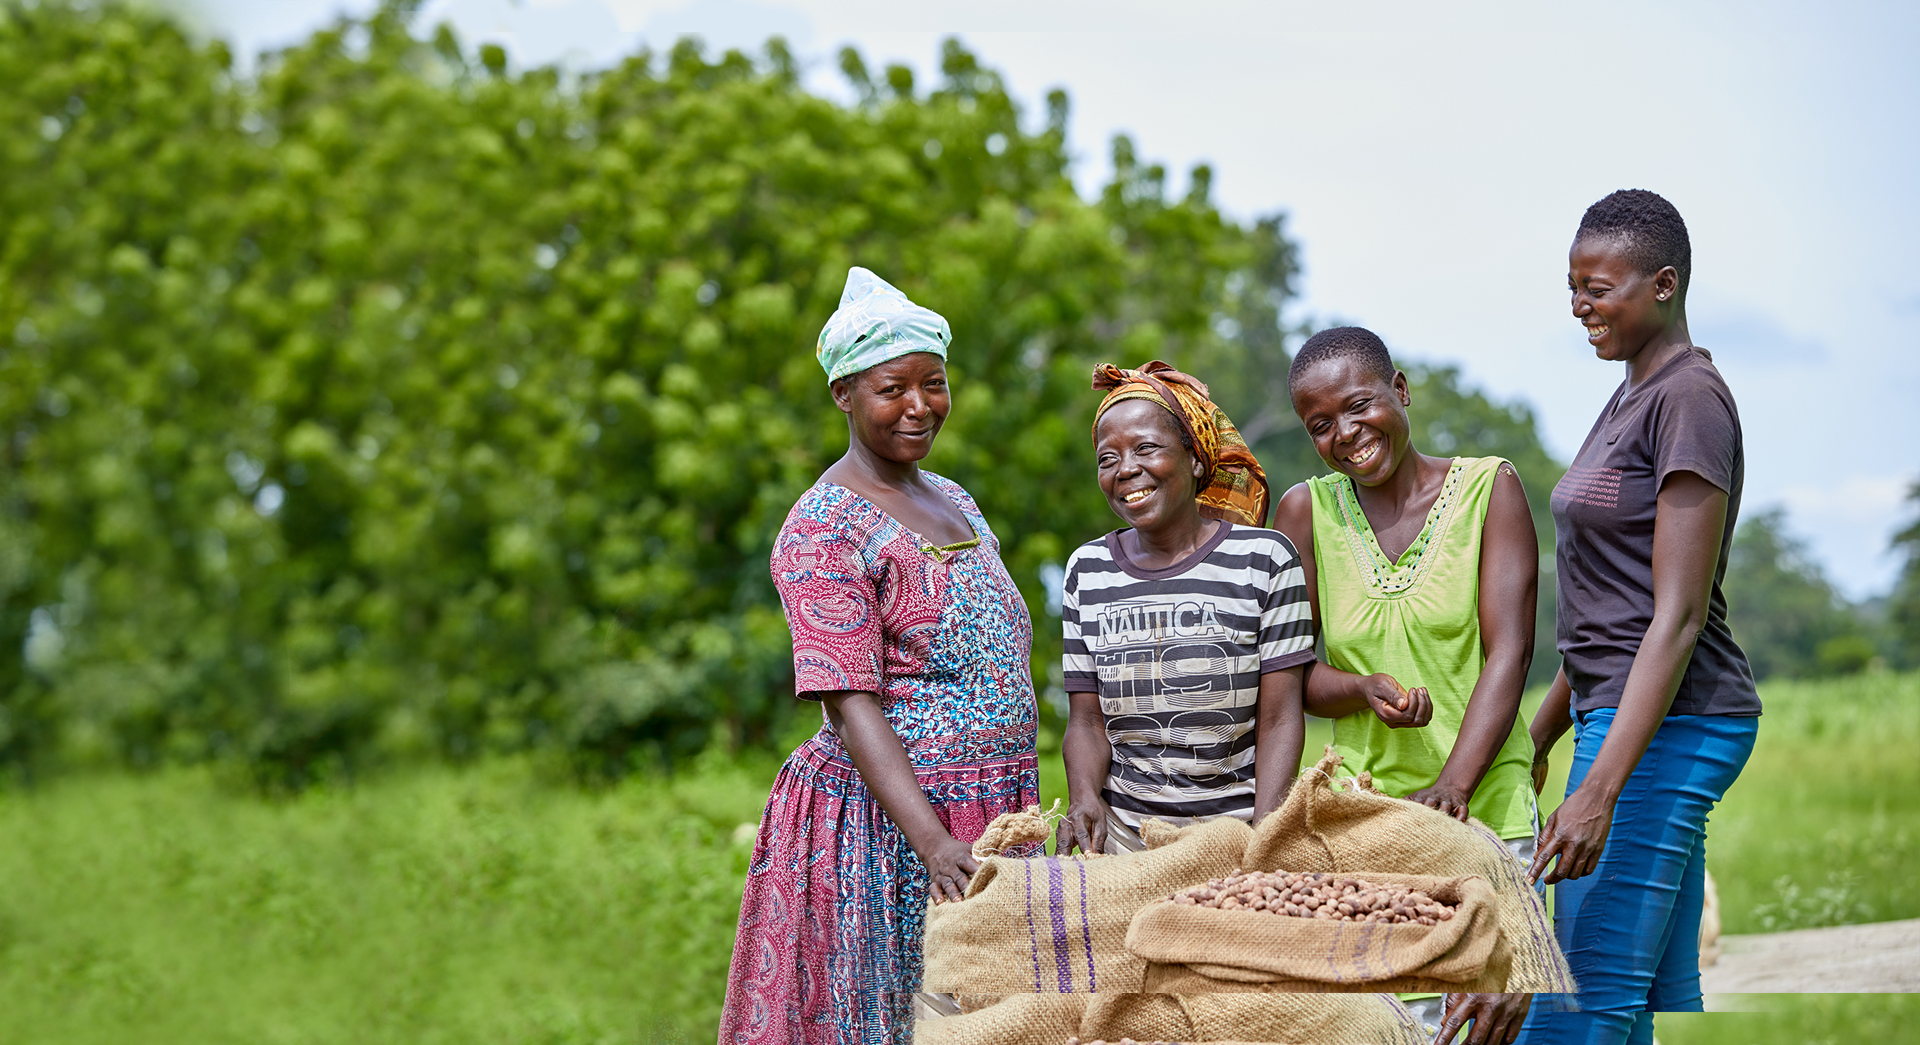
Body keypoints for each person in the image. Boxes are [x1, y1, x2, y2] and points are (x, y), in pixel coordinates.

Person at [717, 268, 1041, 1045]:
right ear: (844, 394)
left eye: (934, 383)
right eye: (894, 388)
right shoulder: (823, 526)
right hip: (891, 829)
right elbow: (849, 699)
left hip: (992, 809)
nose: (920, 406)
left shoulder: (956, 497)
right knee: (893, 1019)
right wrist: (933, 841)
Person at [1520, 190, 1762, 1044]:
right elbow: (1605, 619)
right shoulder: (1630, 395)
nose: (1579, 307)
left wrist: (1598, 789)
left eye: (1598, 288)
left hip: (1669, 722)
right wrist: (1543, 732)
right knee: (1616, 1005)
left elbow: (1678, 615)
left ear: (1663, 283)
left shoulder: (1689, 398)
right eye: (1573, 288)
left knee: (1571, 1005)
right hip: (1621, 713)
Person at [1272, 326, 1539, 1045]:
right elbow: (1292, 675)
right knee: (1395, 1028)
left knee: (1483, 1020)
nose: (1345, 433)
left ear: (1401, 390)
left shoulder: (1490, 488)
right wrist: (1361, 689)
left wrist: (1453, 784)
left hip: (1486, 811)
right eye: (1320, 424)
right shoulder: (1308, 511)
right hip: (1368, 822)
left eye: (1360, 405)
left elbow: (1509, 652)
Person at [1054, 360, 1313, 857]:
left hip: (1236, 837)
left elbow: (1281, 717)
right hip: (1123, 842)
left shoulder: (1264, 560)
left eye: (1146, 448)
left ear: (1196, 459)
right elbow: (1086, 722)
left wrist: (1265, 839)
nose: (1126, 469)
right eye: (1107, 459)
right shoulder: (1086, 571)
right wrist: (1084, 798)